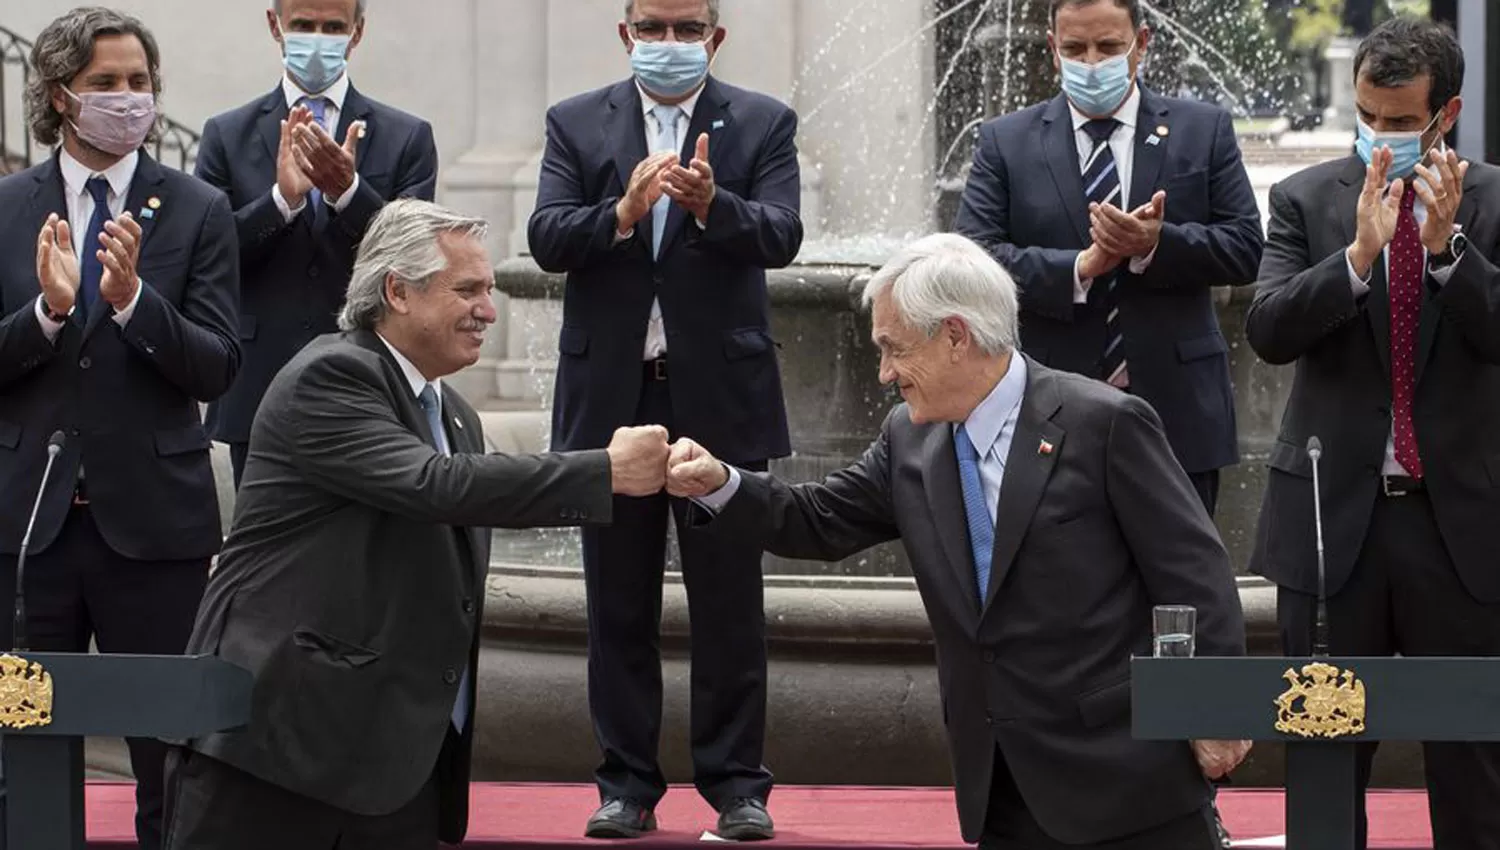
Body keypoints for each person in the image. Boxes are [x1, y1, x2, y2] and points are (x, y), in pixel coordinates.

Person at [667, 233, 1249, 850]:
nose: (885, 373)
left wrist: (1210, 708)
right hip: (999, 783)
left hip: (1127, 781)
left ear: (954, 335)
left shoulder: (1104, 422)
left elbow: (1193, 570)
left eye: (894, 349)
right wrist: (722, 483)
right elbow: (817, 518)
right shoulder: (908, 440)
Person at [162, 200, 673, 850]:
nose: (489, 309)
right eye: (467, 290)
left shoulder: (454, 411)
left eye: (488, 289)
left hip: (394, 769)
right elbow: (435, 485)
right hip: (281, 756)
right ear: (397, 291)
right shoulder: (332, 375)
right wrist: (605, 471)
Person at [526, 0, 802, 839]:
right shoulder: (576, 123)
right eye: (653, 27)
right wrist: (620, 214)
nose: (669, 44)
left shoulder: (761, 122)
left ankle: (737, 787)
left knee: (729, 603)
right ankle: (626, 785)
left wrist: (716, 205)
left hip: (721, 398)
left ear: (715, 38)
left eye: (687, 29)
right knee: (617, 603)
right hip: (614, 398)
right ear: (626, 34)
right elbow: (545, 236)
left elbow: (784, 235)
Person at [1247, 16, 1500, 849]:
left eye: (1399, 121)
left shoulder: (1493, 202)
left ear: (1446, 114)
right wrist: (1356, 257)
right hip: (1332, 529)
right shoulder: (1305, 198)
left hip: (1457, 526)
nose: (1380, 137)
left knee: (1475, 771)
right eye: (1367, 116)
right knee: (1323, 757)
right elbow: (1269, 330)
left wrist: (1448, 252)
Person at [0, 9, 240, 850]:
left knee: (167, 751)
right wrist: (50, 313)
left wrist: (135, 302)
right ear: (60, 94)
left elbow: (216, 364)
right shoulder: (6, 207)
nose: (128, 98)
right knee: (23, 735)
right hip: (28, 534)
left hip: (156, 530)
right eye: (106, 83)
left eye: (139, 82)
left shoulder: (199, 208)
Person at [953, 0, 1263, 519]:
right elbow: (971, 260)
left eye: (1108, 46)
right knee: (1060, 587)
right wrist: (1079, 268)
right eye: (1075, 48)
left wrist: (1155, 244)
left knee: (1177, 585)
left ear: (1142, 44)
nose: (1092, 62)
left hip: (1177, 411)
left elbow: (1246, 247)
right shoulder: (1005, 141)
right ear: (1053, 51)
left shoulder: (1202, 129)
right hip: (1048, 407)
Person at [197, 0, 438, 486]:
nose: (318, 39)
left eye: (333, 27)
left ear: (357, 32)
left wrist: (347, 193)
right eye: (304, 25)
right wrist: (281, 201)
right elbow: (211, 259)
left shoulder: (406, 136)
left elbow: (413, 259)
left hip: (368, 377)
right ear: (275, 25)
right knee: (266, 550)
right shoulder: (226, 134)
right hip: (259, 380)